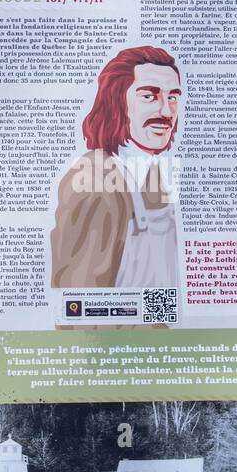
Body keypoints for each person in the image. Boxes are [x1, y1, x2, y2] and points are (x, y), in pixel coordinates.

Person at [50, 45, 182, 290]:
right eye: (149, 96)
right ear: (117, 101)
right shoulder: (94, 179)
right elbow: (78, 306)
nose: (166, 111)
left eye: (172, 97)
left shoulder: (152, 175)